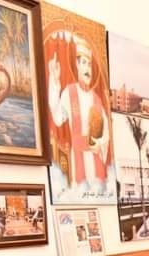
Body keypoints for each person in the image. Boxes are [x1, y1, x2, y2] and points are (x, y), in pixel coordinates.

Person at [47, 37, 111, 189]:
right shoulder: (69, 93)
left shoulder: (97, 99)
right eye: (83, 63)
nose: (87, 69)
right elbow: (57, 118)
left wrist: (100, 144)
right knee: (81, 188)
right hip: (77, 158)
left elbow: (106, 133)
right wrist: (54, 80)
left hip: (96, 158)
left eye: (89, 64)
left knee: (97, 188)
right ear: (77, 65)